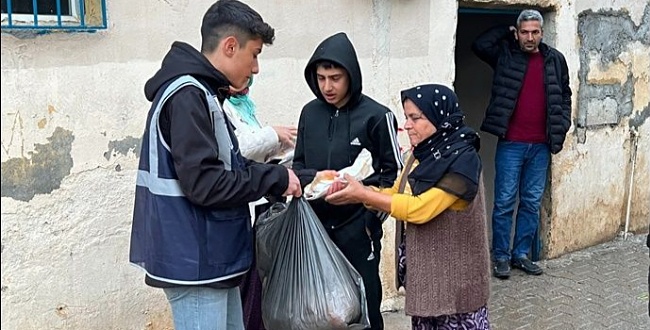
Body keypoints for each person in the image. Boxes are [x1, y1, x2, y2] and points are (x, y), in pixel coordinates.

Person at [128, 1, 302, 329]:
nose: (255, 68)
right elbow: (205, 184)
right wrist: (273, 179)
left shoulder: (205, 94)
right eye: (255, 54)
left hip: (211, 260)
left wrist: (279, 173)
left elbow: (230, 168)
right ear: (230, 46)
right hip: (195, 263)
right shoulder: (187, 96)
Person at [326, 84, 490, 329]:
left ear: (440, 118)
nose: (408, 125)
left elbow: (420, 209)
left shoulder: (463, 161)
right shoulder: (423, 154)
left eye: (415, 118)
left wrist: (364, 195)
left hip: (457, 287)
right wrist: (359, 193)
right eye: (406, 117)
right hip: (429, 282)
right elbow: (397, 192)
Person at [291, 32, 403, 329]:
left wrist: (368, 214)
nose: (327, 86)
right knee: (318, 309)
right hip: (314, 230)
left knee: (364, 306)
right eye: (320, 78)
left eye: (335, 78)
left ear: (351, 76)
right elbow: (298, 165)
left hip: (357, 230)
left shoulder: (378, 116)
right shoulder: (309, 113)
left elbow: (394, 177)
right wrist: (313, 180)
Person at [472, 9, 572, 279]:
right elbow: (480, 44)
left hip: (541, 146)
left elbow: (565, 94)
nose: (530, 37)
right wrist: (507, 29)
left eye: (535, 32)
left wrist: (562, 124)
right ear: (518, 33)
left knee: (530, 201)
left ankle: (521, 255)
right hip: (512, 143)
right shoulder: (506, 55)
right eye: (525, 32)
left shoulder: (555, 60)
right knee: (504, 202)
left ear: (542, 32)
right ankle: (501, 257)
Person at [222, 77, 297, 330]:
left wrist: (278, 150)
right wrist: (272, 135)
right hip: (244, 211)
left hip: (262, 207)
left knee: (259, 291)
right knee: (248, 296)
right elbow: (234, 153)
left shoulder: (244, 106)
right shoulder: (220, 106)